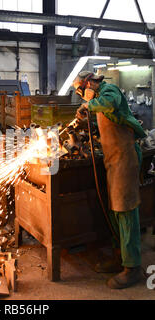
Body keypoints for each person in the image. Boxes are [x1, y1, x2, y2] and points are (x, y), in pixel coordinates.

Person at [72, 70, 146, 289]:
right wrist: (89, 123)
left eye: (80, 89)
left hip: (125, 156)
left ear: (89, 83)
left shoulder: (108, 91)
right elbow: (107, 119)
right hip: (113, 160)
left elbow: (110, 103)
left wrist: (87, 107)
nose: (80, 94)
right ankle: (119, 257)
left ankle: (133, 268)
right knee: (115, 210)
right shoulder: (97, 100)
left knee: (125, 209)